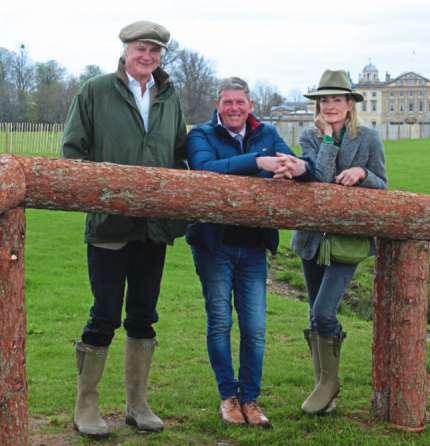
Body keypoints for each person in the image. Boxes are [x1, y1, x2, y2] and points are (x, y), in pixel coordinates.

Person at [61, 20, 187, 437]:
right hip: (109, 226)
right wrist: (102, 196)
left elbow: (180, 153)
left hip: (154, 227)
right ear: (125, 50)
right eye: (140, 49)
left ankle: (137, 404)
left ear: (161, 55)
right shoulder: (95, 91)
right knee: (104, 315)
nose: (147, 56)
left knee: (143, 316)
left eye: (154, 50)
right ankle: (87, 406)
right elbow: (73, 153)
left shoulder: (169, 96)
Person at [186, 77, 313, 427]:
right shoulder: (201, 135)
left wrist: (298, 168)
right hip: (214, 243)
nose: (234, 108)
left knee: (255, 327)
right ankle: (228, 396)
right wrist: (259, 161)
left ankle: (250, 399)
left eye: (240, 102)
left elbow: (298, 163)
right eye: (227, 102)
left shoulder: (267, 133)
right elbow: (205, 169)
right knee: (220, 322)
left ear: (250, 106)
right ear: (218, 105)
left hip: (254, 243)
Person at [291, 69, 387, 415]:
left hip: (348, 240)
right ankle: (324, 387)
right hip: (312, 237)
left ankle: (329, 384)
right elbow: (318, 178)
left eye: (336, 99)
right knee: (314, 313)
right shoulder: (310, 136)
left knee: (323, 311)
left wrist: (363, 173)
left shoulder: (369, 138)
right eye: (324, 100)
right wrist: (329, 140)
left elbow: (383, 185)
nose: (329, 105)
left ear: (349, 104)